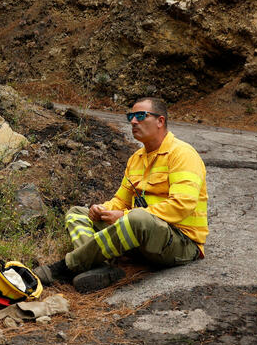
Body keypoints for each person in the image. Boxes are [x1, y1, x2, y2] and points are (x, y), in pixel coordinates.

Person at [35, 97, 208, 293]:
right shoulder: (136, 159)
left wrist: (124, 216)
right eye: (130, 117)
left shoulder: (182, 154)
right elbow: (121, 200)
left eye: (140, 116)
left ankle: (65, 267)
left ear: (160, 121)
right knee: (77, 213)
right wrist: (103, 210)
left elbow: (182, 205)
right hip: (142, 237)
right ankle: (100, 268)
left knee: (137, 218)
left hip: (181, 242)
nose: (133, 121)